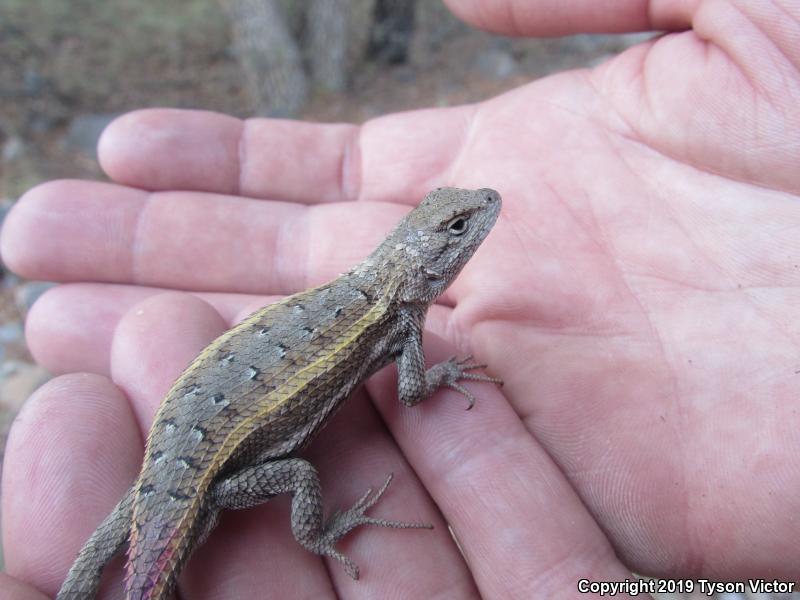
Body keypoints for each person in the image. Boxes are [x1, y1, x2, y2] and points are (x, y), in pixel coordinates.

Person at [2, 1, 798, 598]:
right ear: (419, 259)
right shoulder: (402, 323)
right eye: (454, 228)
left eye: (457, 223)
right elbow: (413, 393)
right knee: (303, 481)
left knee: (98, 556)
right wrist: (442, 379)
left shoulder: (378, 297)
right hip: (216, 475)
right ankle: (323, 536)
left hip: (171, 461)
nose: (475, 221)